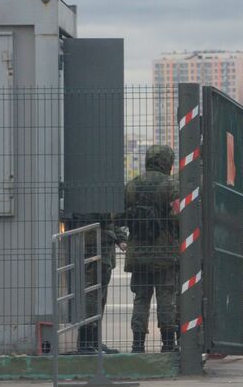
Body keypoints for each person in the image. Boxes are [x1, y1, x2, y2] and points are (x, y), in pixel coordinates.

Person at [122, 145, 179, 353]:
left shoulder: (132, 186)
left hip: (138, 254)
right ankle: (168, 343)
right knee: (166, 298)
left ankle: (137, 344)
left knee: (141, 299)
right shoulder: (172, 186)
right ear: (168, 163)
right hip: (165, 253)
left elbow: (119, 216)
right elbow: (180, 216)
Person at [76, 216, 125, 354]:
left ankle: (94, 341)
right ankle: (86, 342)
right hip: (96, 247)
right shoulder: (98, 198)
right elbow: (105, 217)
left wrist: (120, 238)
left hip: (103, 247)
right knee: (92, 294)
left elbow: (111, 221)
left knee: (100, 296)